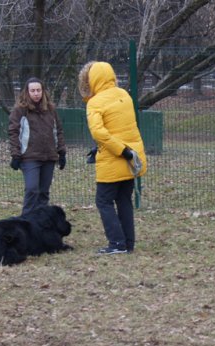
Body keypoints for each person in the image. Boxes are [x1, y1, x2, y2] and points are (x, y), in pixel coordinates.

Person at [78, 61, 147, 255]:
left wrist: (121, 150)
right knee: (124, 199)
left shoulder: (95, 102)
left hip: (115, 158)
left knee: (103, 201)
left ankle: (116, 243)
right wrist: (126, 151)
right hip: (132, 156)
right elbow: (121, 127)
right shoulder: (124, 95)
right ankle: (128, 243)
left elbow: (99, 132)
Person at [8, 78, 66, 215]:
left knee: (44, 192)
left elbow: (58, 130)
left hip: (49, 156)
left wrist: (62, 153)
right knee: (32, 189)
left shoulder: (51, 109)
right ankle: (25, 220)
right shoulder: (20, 110)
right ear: (27, 92)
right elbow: (13, 132)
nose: (36, 93)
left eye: (38, 90)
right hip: (29, 157)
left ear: (43, 91)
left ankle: (41, 223)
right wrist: (15, 155)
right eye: (32, 90)